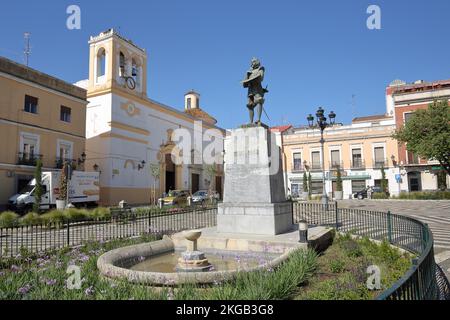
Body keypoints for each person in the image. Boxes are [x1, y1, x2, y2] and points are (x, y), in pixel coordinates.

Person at [241, 58, 269, 125]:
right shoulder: (249, 72)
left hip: (257, 88)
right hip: (250, 89)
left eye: (253, 62)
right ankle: (251, 121)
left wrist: (255, 78)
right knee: (250, 105)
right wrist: (247, 74)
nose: (252, 63)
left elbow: (261, 78)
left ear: (257, 62)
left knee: (259, 101)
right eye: (251, 62)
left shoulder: (260, 69)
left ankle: (258, 120)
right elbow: (244, 84)